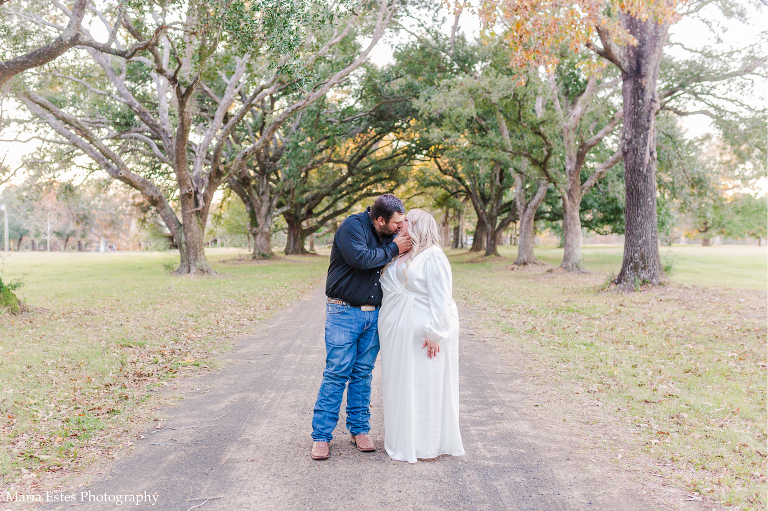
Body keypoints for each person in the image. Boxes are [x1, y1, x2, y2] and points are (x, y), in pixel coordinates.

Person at [311, 194, 412, 460]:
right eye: (396, 223)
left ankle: (359, 430)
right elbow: (361, 258)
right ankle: (321, 436)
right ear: (380, 219)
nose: (401, 227)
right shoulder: (352, 227)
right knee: (336, 372)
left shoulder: (393, 235)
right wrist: (394, 249)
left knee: (363, 373)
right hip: (343, 311)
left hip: (375, 315)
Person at [378, 209, 464, 463]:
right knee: (400, 386)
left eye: (406, 221)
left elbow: (441, 298)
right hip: (397, 335)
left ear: (418, 226)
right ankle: (402, 440)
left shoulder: (433, 256)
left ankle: (425, 445)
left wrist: (436, 333)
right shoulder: (400, 254)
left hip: (422, 336)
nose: (401, 224)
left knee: (424, 387)